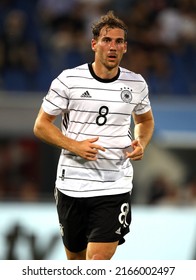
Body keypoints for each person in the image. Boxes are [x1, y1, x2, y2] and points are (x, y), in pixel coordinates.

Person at [33, 10, 154, 260]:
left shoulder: (136, 84)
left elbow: (145, 120)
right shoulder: (68, 80)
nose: (113, 46)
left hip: (114, 184)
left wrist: (141, 142)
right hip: (71, 184)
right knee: (76, 263)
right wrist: (74, 146)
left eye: (119, 41)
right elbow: (41, 125)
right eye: (107, 40)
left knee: (96, 264)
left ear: (125, 47)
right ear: (94, 44)